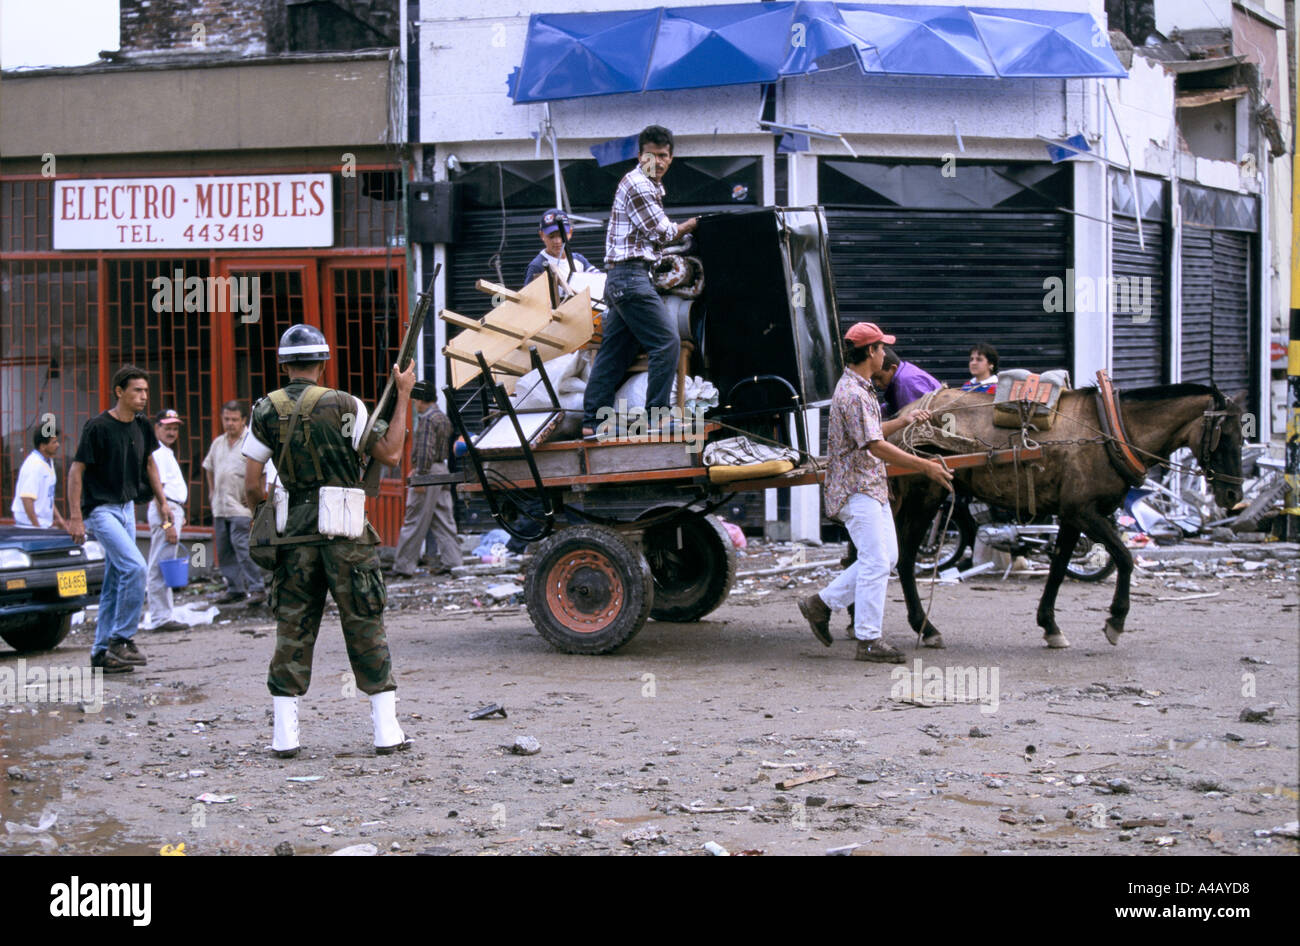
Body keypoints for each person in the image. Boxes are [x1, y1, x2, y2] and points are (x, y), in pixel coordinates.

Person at [243, 324, 416, 758]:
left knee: (293, 630)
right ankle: (386, 732)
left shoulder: (264, 409)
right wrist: (404, 395)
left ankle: (285, 738)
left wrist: (268, 516)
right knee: (365, 626)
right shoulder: (345, 404)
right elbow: (392, 454)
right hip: (347, 536)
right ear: (323, 362)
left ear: (283, 364)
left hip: (293, 538)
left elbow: (250, 483)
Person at [798, 324, 953, 662]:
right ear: (870, 352)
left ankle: (820, 604)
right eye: (882, 348)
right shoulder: (853, 393)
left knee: (887, 560)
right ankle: (868, 639)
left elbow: (870, 432)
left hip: (870, 486)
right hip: (856, 488)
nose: (885, 354)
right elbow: (875, 445)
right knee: (876, 561)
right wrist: (924, 466)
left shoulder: (859, 387)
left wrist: (904, 420)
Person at [582, 125, 698, 438]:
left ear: (671, 158)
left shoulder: (648, 186)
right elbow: (662, 232)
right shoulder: (639, 184)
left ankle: (591, 421)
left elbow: (653, 240)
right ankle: (657, 417)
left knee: (614, 352)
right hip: (631, 277)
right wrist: (693, 226)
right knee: (667, 342)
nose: (657, 162)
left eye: (663, 156)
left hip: (623, 278)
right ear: (640, 156)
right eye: (651, 155)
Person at [67, 365, 171, 674]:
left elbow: (150, 463)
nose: (143, 397)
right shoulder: (97, 427)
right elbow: (76, 470)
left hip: (126, 509)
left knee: (114, 580)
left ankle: (101, 653)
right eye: (137, 390)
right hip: (101, 510)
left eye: (146, 391)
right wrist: (75, 516)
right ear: (119, 392)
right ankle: (121, 639)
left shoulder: (141, 425)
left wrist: (162, 502)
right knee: (135, 567)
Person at [203, 400, 265, 606]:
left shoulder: (251, 442)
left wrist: (255, 500)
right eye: (226, 419)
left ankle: (256, 588)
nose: (230, 424)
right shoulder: (218, 443)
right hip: (220, 507)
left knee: (243, 548)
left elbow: (262, 474)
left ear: (243, 420)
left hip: (241, 508)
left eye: (234, 420)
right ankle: (235, 588)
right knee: (224, 550)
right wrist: (211, 490)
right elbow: (209, 466)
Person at [390, 391, 459, 577]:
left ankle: (403, 567)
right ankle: (453, 563)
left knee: (414, 519)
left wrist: (420, 475)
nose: (414, 404)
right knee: (444, 519)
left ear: (420, 400)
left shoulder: (427, 419)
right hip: (442, 470)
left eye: (415, 401)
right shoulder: (442, 418)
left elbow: (425, 450)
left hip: (428, 473)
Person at [142, 409, 188, 632]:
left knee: (164, 562)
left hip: (171, 509)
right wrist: (169, 522)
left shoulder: (165, 452)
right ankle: (161, 617)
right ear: (157, 428)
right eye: (167, 427)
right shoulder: (158, 454)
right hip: (165, 510)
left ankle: (164, 614)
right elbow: (160, 491)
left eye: (175, 428)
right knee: (161, 565)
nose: (171, 432)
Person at [12, 422, 68, 530]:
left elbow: (47, 496)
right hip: (28, 524)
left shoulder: (48, 461)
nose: (58, 445)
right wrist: (37, 528)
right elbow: (27, 498)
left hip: (42, 523)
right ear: (42, 446)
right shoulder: (34, 465)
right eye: (54, 442)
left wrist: (59, 519)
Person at [523, 208, 594, 288]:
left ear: (570, 233)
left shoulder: (579, 260)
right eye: (551, 236)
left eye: (561, 235)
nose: (557, 241)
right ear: (542, 235)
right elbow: (529, 298)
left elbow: (598, 279)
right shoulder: (537, 266)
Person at [873, 347, 943, 418]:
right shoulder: (905, 371)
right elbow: (892, 407)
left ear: (893, 368)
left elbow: (914, 421)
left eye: (879, 378)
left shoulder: (905, 383)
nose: (877, 383)